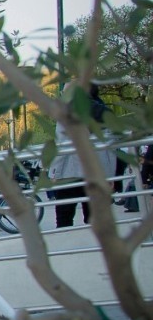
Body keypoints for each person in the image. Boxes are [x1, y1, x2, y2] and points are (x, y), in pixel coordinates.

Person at [48, 83, 117, 227]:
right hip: (95, 173)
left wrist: (54, 173)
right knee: (94, 220)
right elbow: (110, 147)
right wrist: (110, 175)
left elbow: (62, 146)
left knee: (64, 219)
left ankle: (66, 249)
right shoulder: (102, 111)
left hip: (69, 174)